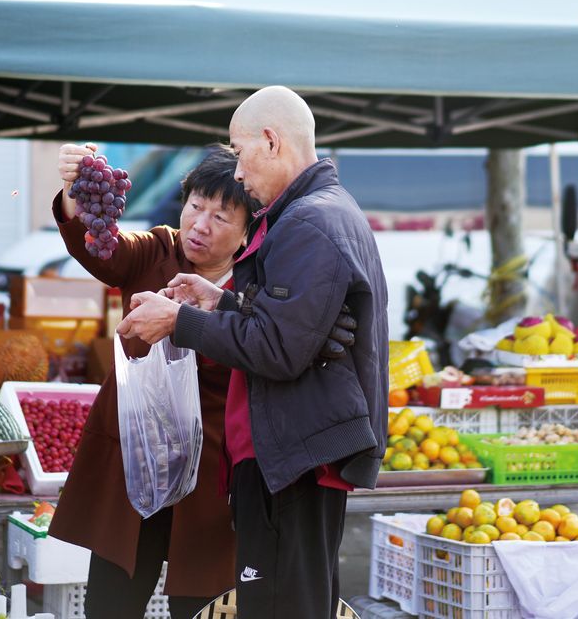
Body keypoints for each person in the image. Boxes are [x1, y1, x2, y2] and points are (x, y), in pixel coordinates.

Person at [118, 86, 388, 619]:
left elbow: (280, 349)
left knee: (281, 606)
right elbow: (295, 328)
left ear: (270, 141)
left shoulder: (310, 221)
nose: (237, 173)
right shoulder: (324, 212)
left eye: (239, 154)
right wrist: (222, 301)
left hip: (294, 456)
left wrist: (180, 320)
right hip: (299, 451)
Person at [48, 143, 254, 619]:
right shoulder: (157, 250)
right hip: (133, 464)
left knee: (202, 606)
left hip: (210, 480)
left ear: (247, 234)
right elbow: (105, 250)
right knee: (111, 603)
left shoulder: (255, 289)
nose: (200, 224)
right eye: (195, 206)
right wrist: (74, 194)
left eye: (221, 217)